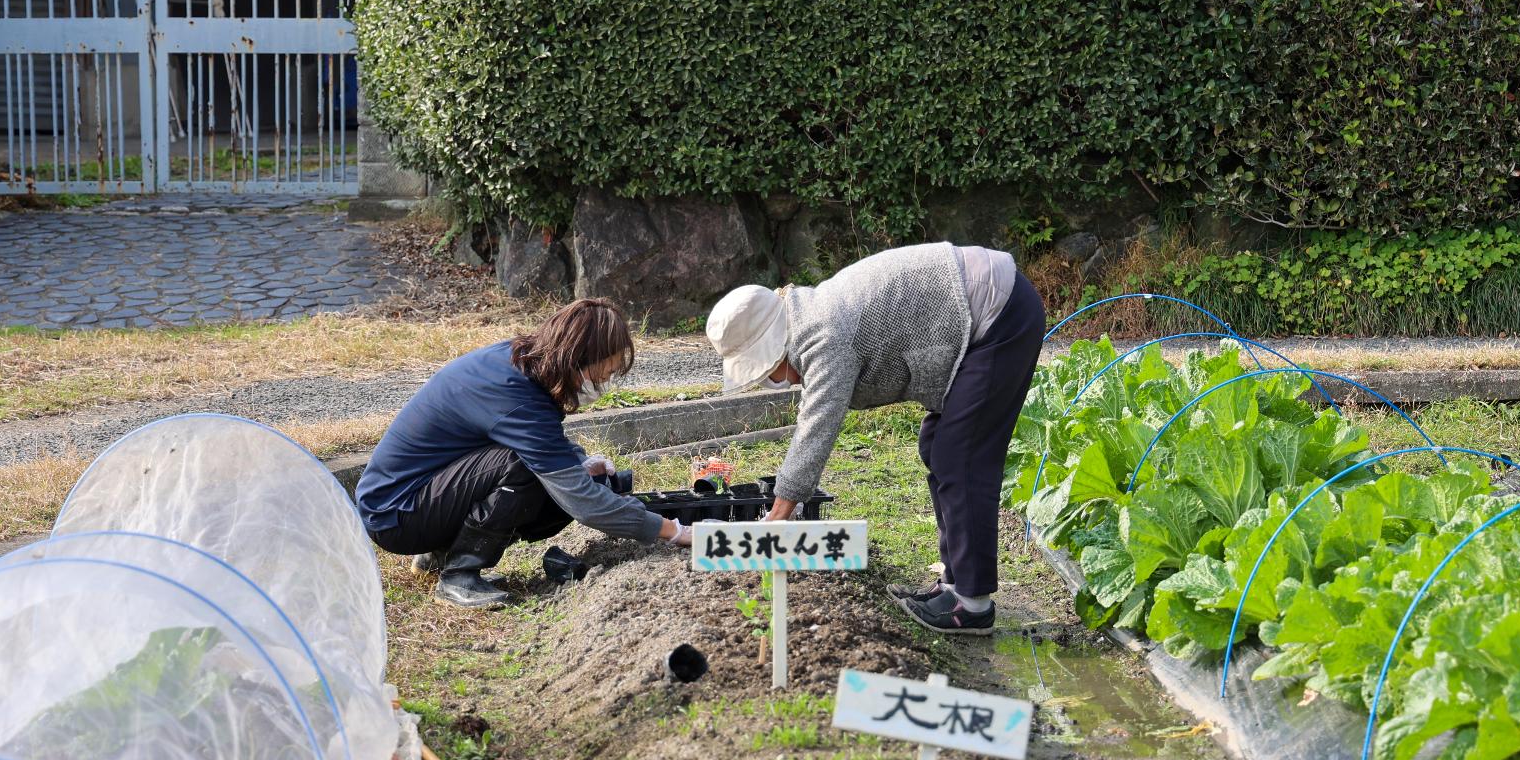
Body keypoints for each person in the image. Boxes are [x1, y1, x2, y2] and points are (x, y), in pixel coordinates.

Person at [705, 243, 1044, 635]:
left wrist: (779, 514)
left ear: (774, 348)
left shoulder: (824, 335)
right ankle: (956, 585)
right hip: (984, 306)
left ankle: (972, 605)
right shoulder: (809, 320)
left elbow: (817, 427)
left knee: (959, 455)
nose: (774, 381)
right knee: (938, 444)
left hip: (1000, 315)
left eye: (768, 372)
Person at [357, 299, 693, 608]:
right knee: (526, 469)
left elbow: (539, 441)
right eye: (601, 374)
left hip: (415, 498)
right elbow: (586, 505)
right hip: (397, 513)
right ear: (576, 359)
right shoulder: (515, 394)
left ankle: (441, 554)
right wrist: (673, 531)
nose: (602, 386)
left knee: (556, 474)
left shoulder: (519, 365)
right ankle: (458, 576)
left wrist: (578, 462)